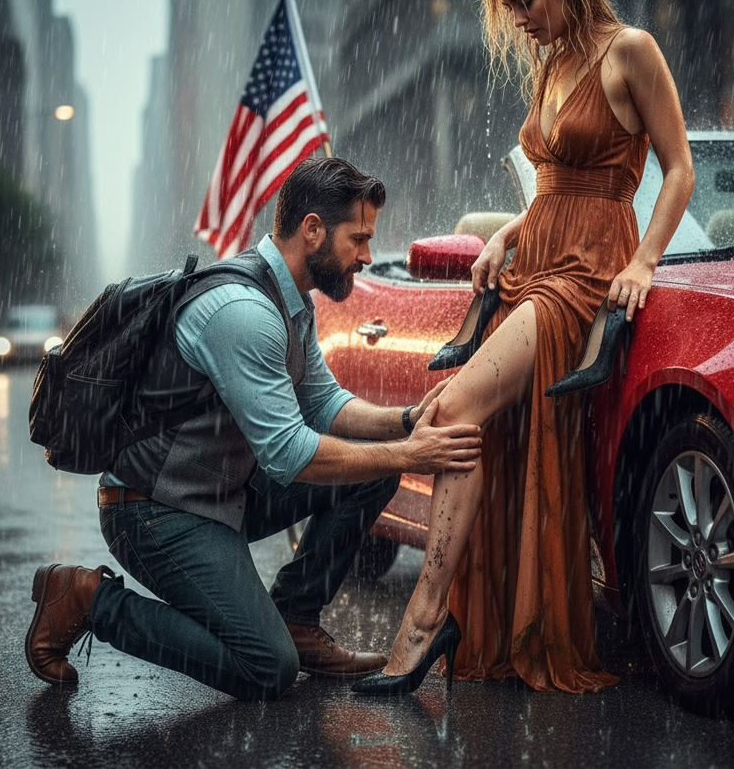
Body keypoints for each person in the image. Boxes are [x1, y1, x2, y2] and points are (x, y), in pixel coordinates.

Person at [353, 0, 694, 695]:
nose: (520, 20)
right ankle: (449, 618)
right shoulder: (549, 65)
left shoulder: (630, 49)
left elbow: (679, 170)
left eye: (525, 1)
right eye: (510, 9)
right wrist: (505, 234)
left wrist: (643, 262)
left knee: (456, 406)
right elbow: (549, 187)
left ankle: (425, 618)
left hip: (587, 270)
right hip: (534, 258)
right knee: (453, 411)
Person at [25, 156, 483, 701]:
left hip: (222, 492)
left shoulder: (290, 300)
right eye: (358, 239)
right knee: (266, 669)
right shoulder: (242, 311)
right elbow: (292, 454)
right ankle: (84, 599)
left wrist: (405, 422)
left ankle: (295, 617)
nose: (366, 256)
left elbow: (323, 402)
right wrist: (412, 454)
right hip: (152, 512)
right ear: (312, 229)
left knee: (370, 467)